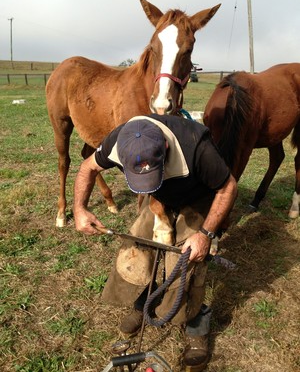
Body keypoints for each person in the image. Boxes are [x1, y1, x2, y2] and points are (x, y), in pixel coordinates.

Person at [74, 114, 237, 371]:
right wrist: (79, 209)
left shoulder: (197, 147)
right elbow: (87, 168)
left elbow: (227, 187)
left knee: (186, 263)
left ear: (167, 148)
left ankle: (195, 325)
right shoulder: (119, 141)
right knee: (136, 249)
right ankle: (144, 302)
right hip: (158, 198)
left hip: (197, 197)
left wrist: (205, 234)